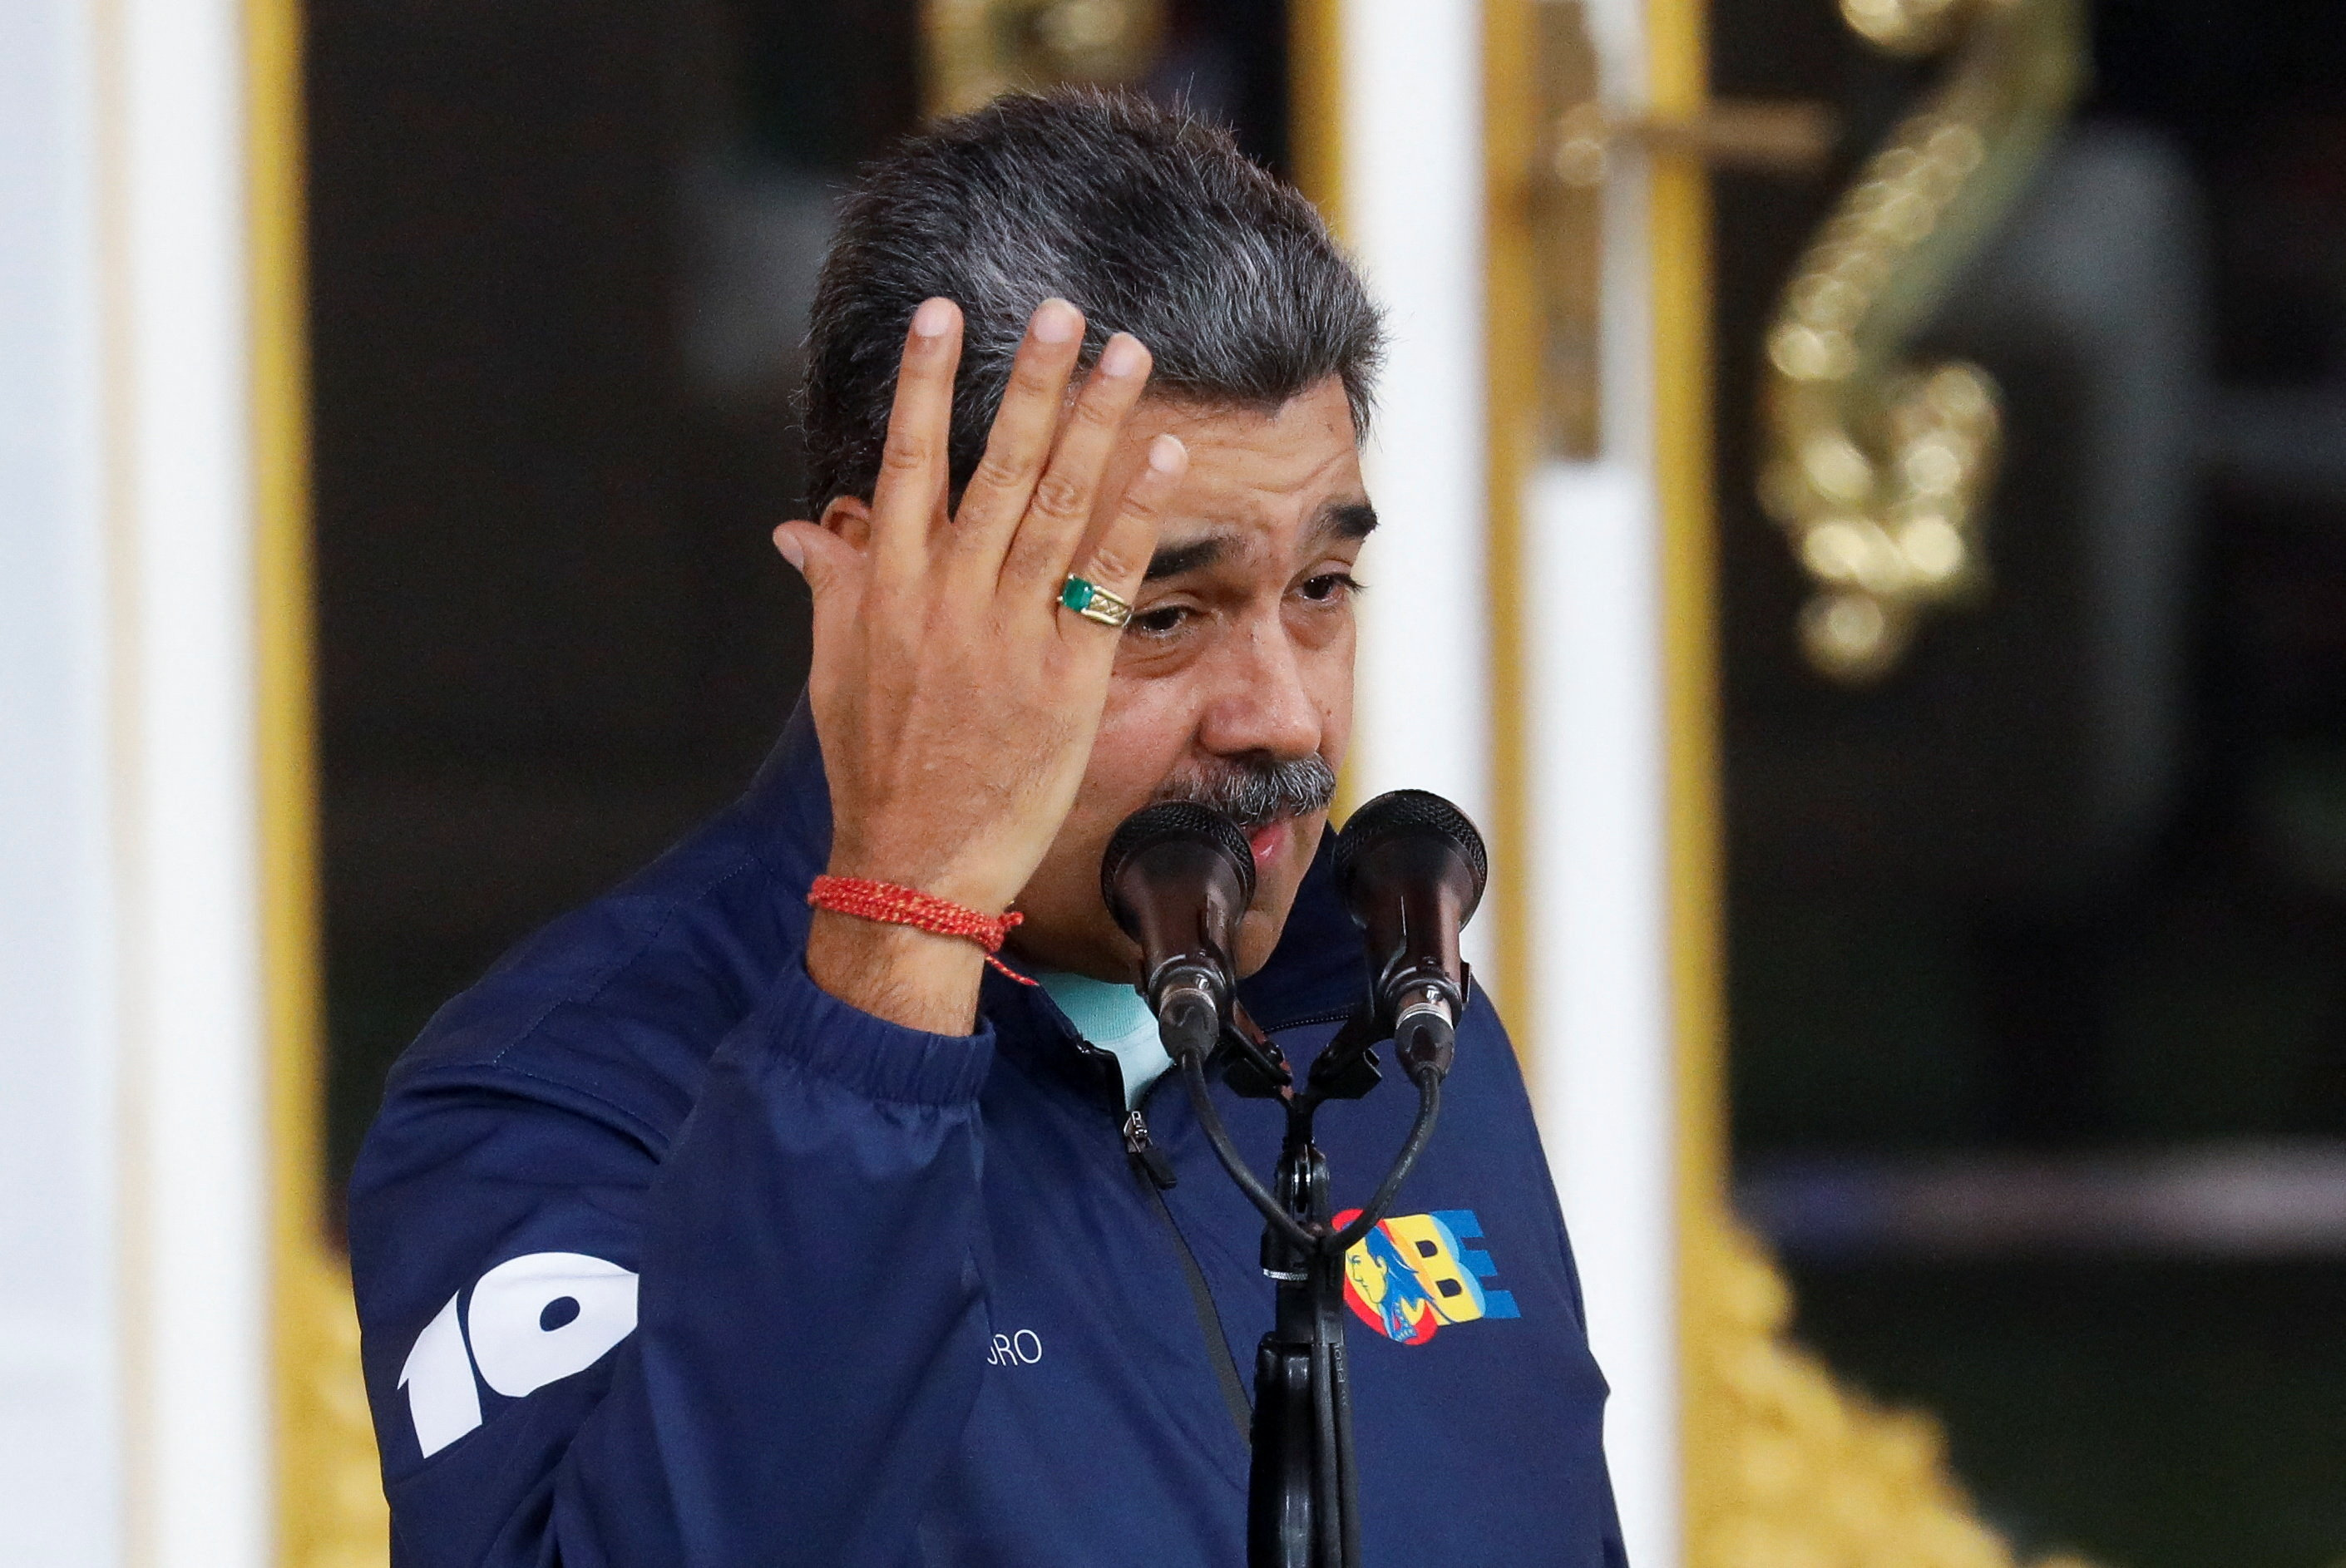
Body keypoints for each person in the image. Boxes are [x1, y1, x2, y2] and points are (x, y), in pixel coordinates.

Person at [351, 89, 1624, 1566]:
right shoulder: (564, 1095)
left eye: (1319, 592)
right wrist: (900, 946)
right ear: (875, 602)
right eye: (1158, 614)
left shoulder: (1380, 1008)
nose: (1279, 716)